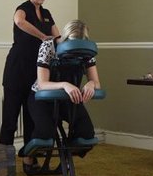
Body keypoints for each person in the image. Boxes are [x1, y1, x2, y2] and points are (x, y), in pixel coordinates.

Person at [0, 0, 60, 174]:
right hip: (16, 72)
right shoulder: (22, 9)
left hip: (36, 75)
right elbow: (19, 21)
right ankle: (3, 167)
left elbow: (58, 38)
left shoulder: (47, 14)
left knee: (31, 121)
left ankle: (29, 161)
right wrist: (42, 36)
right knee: (10, 120)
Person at [26, 19, 101, 167]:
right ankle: (28, 158)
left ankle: (66, 155)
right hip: (42, 98)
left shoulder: (86, 51)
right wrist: (65, 85)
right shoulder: (48, 46)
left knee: (86, 135)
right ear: (65, 38)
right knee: (45, 135)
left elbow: (96, 82)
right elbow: (42, 84)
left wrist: (91, 84)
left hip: (69, 99)